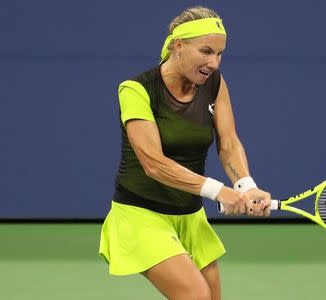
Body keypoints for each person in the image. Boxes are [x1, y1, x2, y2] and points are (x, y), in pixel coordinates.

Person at [99, 6, 271, 300]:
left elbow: (228, 143)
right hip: (141, 215)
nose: (214, 63)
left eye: (219, 54)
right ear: (178, 46)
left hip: (190, 216)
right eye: (205, 51)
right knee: (196, 296)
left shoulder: (214, 84)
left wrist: (246, 186)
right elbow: (153, 164)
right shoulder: (136, 90)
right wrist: (219, 192)